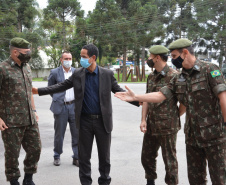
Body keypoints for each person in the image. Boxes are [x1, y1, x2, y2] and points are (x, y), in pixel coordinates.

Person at [115, 38, 226, 185]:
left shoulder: (210, 69)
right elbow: (160, 95)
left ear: (185, 53)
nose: (172, 60)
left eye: (174, 56)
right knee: (196, 180)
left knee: (219, 178)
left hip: (214, 136)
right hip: (192, 137)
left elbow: (223, 97)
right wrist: (135, 97)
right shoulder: (179, 78)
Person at [32, 44, 139, 185]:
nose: (80, 60)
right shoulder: (78, 74)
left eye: (84, 57)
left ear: (93, 58)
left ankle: (104, 181)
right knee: (83, 158)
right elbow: (61, 86)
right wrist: (39, 91)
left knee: (104, 157)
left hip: (102, 122)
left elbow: (119, 91)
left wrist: (138, 100)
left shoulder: (107, 74)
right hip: (84, 122)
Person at [0, 37, 41, 185]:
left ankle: (28, 178)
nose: (29, 54)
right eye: (26, 52)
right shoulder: (2, 68)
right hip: (11, 122)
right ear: (15, 52)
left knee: (36, 148)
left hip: (30, 118)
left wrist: (34, 109)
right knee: (12, 154)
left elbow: (29, 91)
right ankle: (14, 180)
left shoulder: (27, 67)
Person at [142, 45, 185, 185]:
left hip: (168, 127)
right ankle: (150, 182)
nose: (148, 60)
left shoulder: (175, 76)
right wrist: (143, 119)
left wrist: (174, 116)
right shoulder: (151, 76)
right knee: (147, 157)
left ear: (157, 58)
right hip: (151, 125)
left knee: (169, 161)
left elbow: (183, 102)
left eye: (149, 57)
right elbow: (146, 99)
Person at [48, 51, 79, 167]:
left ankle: (76, 157)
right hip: (61, 107)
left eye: (70, 58)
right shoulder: (55, 72)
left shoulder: (77, 72)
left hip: (74, 107)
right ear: (61, 60)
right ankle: (57, 155)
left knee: (76, 133)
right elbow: (50, 88)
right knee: (59, 133)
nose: (68, 60)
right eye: (66, 58)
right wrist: (58, 99)